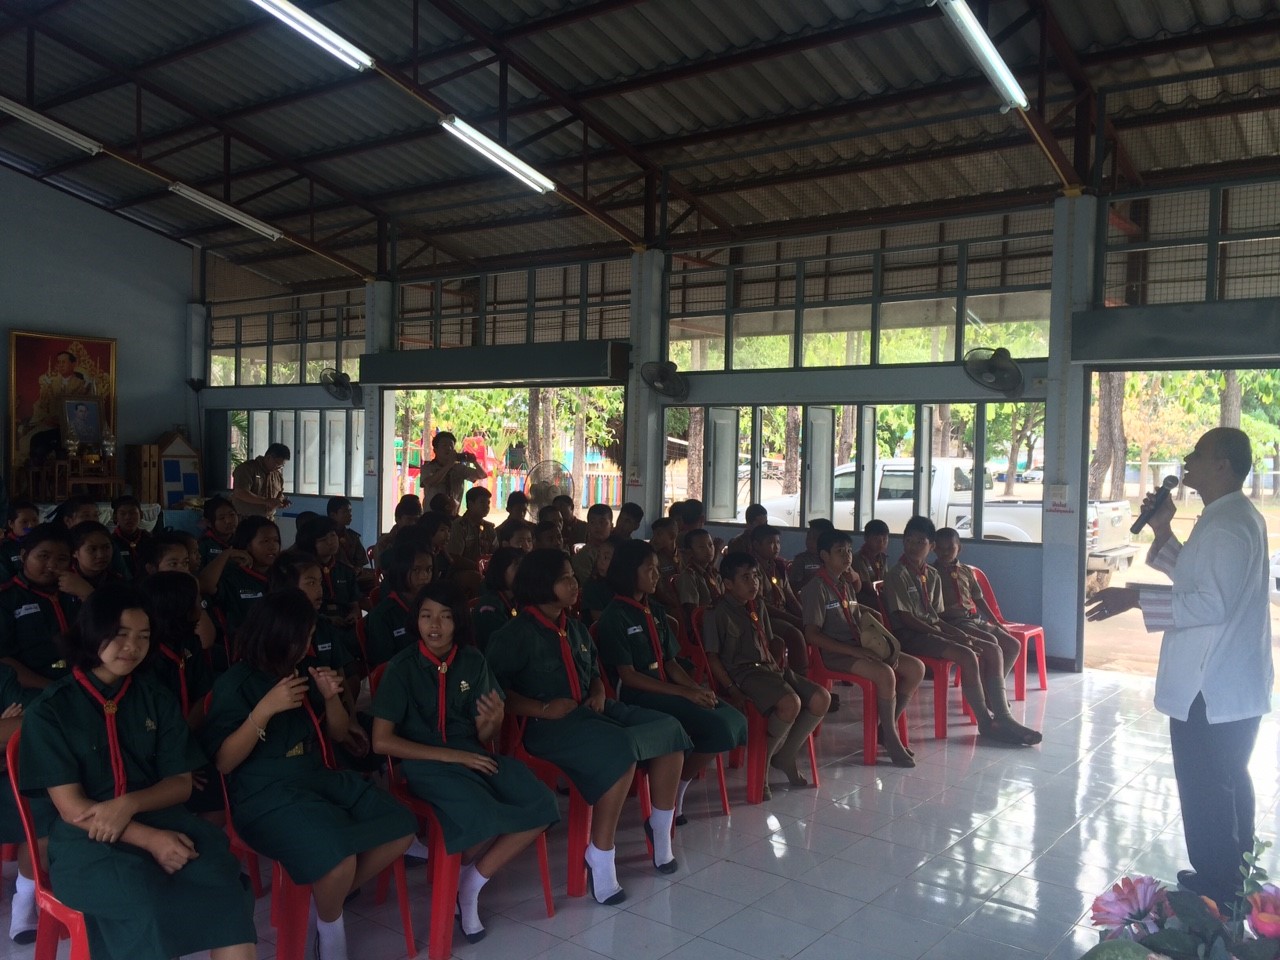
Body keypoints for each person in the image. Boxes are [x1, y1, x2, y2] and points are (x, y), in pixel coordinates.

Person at [18, 584, 257, 960]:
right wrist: (149, 839)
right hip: (87, 841)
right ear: (92, 633)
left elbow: (180, 784)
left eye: (143, 636)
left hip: (163, 819)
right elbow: (71, 808)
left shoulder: (154, 697)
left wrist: (128, 804)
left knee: (227, 887)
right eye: (120, 634)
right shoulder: (51, 711)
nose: (132, 646)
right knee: (143, 901)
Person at [1087, 428, 1272, 909]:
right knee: (1225, 781)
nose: (1188, 459)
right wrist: (1163, 530)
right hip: (1224, 685)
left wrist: (1134, 598)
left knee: (1207, 788)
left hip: (1212, 687)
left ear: (1223, 465)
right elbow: (1194, 575)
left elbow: (1210, 603)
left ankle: (1220, 889)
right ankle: (1230, 875)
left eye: (1199, 453)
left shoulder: (1229, 525)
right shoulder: (1226, 517)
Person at [204, 590, 416, 960]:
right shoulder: (236, 683)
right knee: (336, 858)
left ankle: (326, 899)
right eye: (300, 638)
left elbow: (338, 733)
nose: (307, 647)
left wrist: (331, 697)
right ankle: (331, 930)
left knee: (401, 827)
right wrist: (264, 710)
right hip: (263, 794)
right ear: (274, 635)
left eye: (309, 636)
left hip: (316, 777)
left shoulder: (302, 671)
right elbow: (224, 763)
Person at [486, 549, 690, 903]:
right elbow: (496, 694)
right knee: (619, 748)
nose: (574, 584)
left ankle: (659, 828)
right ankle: (600, 851)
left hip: (590, 711)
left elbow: (594, 673)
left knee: (669, 729)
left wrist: (597, 691)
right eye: (564, 578)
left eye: (573, 577)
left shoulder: (575, 628)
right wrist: (543, 708)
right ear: (541, 584)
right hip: (545, 726)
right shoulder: (514, 635)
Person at [371, 582, 558, 943]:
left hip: (473, 755)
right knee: (483, 815)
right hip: (425, 763)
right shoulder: (402, 667)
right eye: (426, 615)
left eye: (445, 616)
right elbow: (381, 742)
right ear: (416, 621)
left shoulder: (472, 660)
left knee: (542, 804)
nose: (435, 625)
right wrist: (453, 755)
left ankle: (470, 882)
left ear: (457, 621)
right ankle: (457, 877)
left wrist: (493, 719)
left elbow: (484, 732)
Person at [595, 540, 746, 825]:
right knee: (716, 725)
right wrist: (683, 694)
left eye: (657, 569)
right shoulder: (615, 616)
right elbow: (628, 675)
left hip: (667, 687)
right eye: (649, 569)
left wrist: (695, 689)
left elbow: (671, 662)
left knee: (731, 719)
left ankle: (678, 787)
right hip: (638, 694)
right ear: (629, 572)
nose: (657, 575)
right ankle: (670, 794)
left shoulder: (653, 610)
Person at [882, 515, 1040, 746]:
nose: (913, 546)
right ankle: (988, 722)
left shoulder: (930, 575)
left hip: (932, 631)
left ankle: (1000, 717)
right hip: (910, 636)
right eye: (909, 541)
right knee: (967, 654)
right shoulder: (897, 574)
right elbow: (906, 619)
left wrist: (958, 634)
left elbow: (935, 617)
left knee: (983, 649)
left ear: (930, 546)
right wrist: (947, 634)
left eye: (920, 542)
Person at [702, 552, 829, 797]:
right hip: (743, 675)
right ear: (728, 584)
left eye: (756, 576)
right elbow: (713, 658)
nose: (754, 582)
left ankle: (785, 756)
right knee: (790, 703)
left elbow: (770, 642)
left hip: (769, 670)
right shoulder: (716, 613)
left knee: (821, 698)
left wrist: (778, 658)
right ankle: (762, 765)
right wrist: (732, 689)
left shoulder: (757, 605)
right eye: (745, 577)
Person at [800, 530, 921, 767]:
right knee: (885, 674)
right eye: (839, 551)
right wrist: (855, 652)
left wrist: (873, 619)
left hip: (860, 646)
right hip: (836, 654)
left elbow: (853, 613)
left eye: (848, 550)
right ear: (824, 555)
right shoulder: (816, 588)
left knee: (916, 667)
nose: (847, 556)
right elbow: (812, 634)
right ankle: (891, 738)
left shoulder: (844, 583)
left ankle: (885, 728)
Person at [0, 523, 80, 694]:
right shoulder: (6, 598)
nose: (52, 565)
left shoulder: (76, 590)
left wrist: (87, 595)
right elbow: (3, 659)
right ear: (24, 556)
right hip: (30, 686)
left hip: (81, 678)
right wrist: (53, 688)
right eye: (43, 556)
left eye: (61, 559)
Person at [931, 528, 1023, 657]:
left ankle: (995, 671)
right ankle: (985, 670)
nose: (945, 552)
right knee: (990, 642)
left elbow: (978, 598)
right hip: (952, 622)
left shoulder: (966, 571)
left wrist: (995, 621)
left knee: (1013, 645)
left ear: (959, 548)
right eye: (940, 548)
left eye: (950, 548)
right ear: (933, 548)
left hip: (972, 619)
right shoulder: (931, 572)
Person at [198, 516, 281, 652]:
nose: (273, 546)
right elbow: (205, 585)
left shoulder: (282, 576)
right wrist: (227, 554)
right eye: (265, 541)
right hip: (244, 651)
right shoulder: (232, 576)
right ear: (247, 545)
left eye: (276, 540)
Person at [365, 543, 434, 667]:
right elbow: (384, 666)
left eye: (429, 570)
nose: (425, 576)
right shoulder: (383, 615)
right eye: (416, 570)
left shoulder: (435, 606)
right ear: (402, 570)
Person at [471, 546, 523, 651]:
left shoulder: (518, 599)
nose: (523, 573)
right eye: (517, 566)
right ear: (501, 570)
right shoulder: (488, 609)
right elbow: (500, 648)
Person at [420, 432, 487, 509]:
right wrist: (449, 464)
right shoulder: (428, 467)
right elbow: (429, 482)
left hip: (453, 513)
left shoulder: (459, 468)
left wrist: (474, 462)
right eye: (444, 445)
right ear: (435, 450)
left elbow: (482, 475)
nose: (448, 448)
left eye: (451, 446)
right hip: (431, 513)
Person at [231, 443, 290, 520]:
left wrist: (281, 502)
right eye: (277, 464)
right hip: (246, 519)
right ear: (269, 457)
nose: (278, 468)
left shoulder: (277, 476)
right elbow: (240, 492)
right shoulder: (247, 469)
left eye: (281, 466)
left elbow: (279, 495)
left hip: (268, 519)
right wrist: (266, 501)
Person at [676, 528, 722, 625]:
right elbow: (693, 612)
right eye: (701, 547)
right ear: (690, 552)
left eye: (710, 545)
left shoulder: (714, 574)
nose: (708, 550)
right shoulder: (688, 576)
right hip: (704, 624)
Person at [448, 487, 496, 573]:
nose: (486, 506)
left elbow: (496, 552)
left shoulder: (489, 527)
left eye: (488, 503)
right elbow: (455, 557)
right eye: (482, 502)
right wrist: (478, 567)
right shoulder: (459, 526)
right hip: (463, 572)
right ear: (470, 504)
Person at [579, 536, 622, 626]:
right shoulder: (592, 586)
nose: (600, 561)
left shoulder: (626, 585)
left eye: (606, 557)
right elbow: (601, 621)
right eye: (598, 556)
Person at [788, 519, 836, 595]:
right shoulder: (801, 560)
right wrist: (814, 578)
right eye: (808, 537)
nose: (810, 541)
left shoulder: (835, 559)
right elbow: (793, 587)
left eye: (815, 538)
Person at [373, 495, 423, 568]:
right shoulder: (386, 541)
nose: (413, 523)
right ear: (397, 519)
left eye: (416, 520)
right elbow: (379, 568)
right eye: (409, 519)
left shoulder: (422, 538)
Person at [571, 503, 614, 586]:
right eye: (593, 522)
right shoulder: (584, 555)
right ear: (588, 526)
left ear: (611, 526)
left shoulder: (616, 549)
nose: (597, 526)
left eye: (602, 522)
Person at [109, 495, 151, 580]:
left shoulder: (148, 538)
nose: (128, 517)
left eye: (132, 513)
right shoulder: (110, 541)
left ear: (141, 515)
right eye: (123, 513)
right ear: (115, 517)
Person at [852, 519, 890, 608]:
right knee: (889, 605)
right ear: (866, 538)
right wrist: (887, 596)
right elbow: (867, 587)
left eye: (884, 539)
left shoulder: (882, 557)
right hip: (862, 598)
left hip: (878, 593)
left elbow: (886, 580)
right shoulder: (859, 558)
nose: (881, 543)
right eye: (876, 539)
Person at [326, 496, 369, 575]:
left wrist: (357, 570)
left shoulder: (352, 536)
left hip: (352, 576)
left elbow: (360, 561)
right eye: (345, 512)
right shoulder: (325, 537)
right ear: (332, 515)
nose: (350, 515)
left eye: (350, 511)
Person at [2, 500, 40, 580]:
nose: (31, 526)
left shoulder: (45, 543)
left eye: (35, 520)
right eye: (24, 522)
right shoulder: (4, 548)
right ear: (11, 524)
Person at [199, 496, 238, 569]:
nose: (229, 521)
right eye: (221, 518)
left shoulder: (242, 539)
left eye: (232, 514)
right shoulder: (203, 545)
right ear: (209, 523)